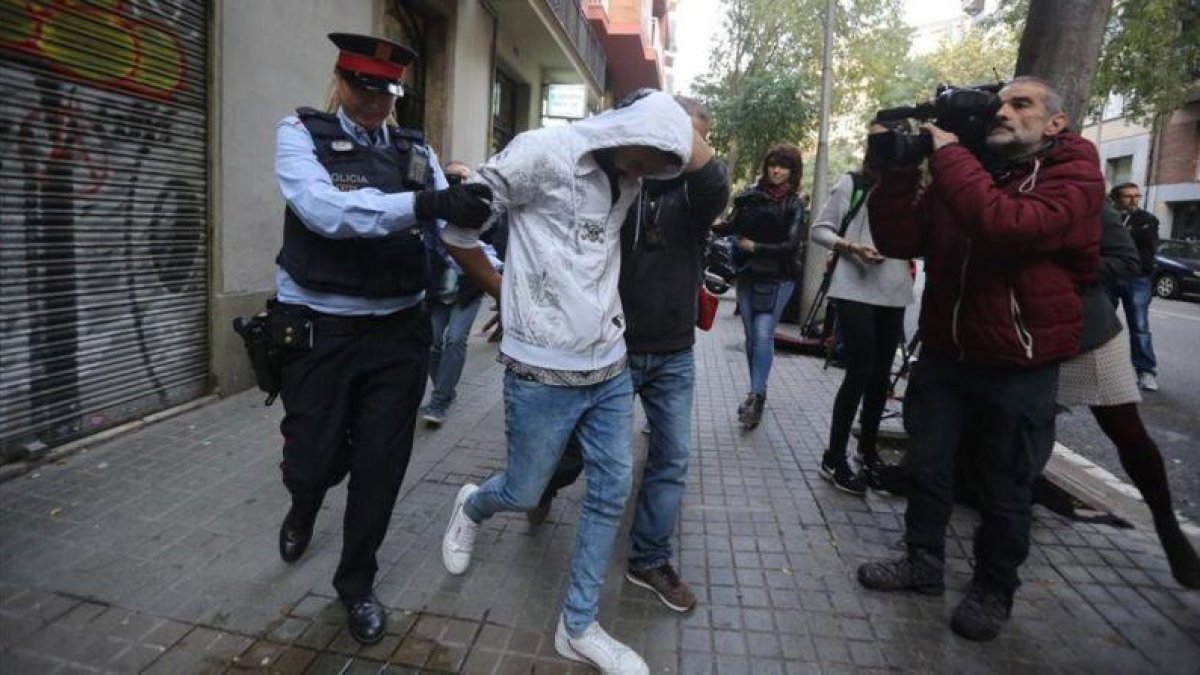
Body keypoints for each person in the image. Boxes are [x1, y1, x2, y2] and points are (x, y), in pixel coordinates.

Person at [438, 90, 698, 674]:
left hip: (609, 364)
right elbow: (458, 234)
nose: (646, 173)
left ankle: (578, 626)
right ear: (625, 127)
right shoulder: (542, 152)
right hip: (539, 370)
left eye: (660, 166)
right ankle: (473, 507)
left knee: (610, 489)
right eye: (647, 157)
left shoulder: (632, 179)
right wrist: (505, 293)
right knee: (526, 491)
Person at [857, 76, 1103, 642]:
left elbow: (1007, 226)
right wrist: (896, 171)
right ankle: (922, 563)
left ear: (1055, 123)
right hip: (947, 351)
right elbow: (899, 237)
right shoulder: (963, 172)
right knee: (928, 465)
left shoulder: (1075, 171)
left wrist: (949, 156)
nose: (1004, 113)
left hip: (1021, 361)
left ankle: (994, 588)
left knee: (1006, 483)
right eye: (1000, 105)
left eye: (1022, 105)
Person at [271, 33, 492, 645]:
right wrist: (427, 202)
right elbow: (327, 212)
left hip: (398, 329)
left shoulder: (414, 147)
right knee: (312, 458)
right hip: (322, 326)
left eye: (386, 90)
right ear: (342, 81)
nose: (375, 101)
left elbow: (449, 224)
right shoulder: (300, 133)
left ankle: (356, 584)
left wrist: (481, 217)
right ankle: (305, 501)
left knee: (382, 468)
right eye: (363, 86)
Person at [530, 97, 729, 615]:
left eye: (696, 139)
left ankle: (648, 557)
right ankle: (543, 485)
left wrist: (683, 131)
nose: (685, 146)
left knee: (672, 456)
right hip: (609, 347)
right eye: (676, 134)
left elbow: (716, 183)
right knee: (575, 449)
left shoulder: (695, 195)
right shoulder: (618, 179)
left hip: (671, 353)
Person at [1058, 203, 1200, 588]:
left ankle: (1167, 526)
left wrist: (1062, 271)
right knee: (1020, 431)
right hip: (1020, 334)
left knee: (1127, 432)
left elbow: (1126, 259)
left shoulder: (1078, 187)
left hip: (1088, 334)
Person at [810, 164, 914, 496]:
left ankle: (867, 452)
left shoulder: (914, 187)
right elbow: (820, 230)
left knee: (881, 374)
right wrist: (851, 247)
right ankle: (833, 457)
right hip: (853, 286)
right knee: (860, 370)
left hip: (895, 290)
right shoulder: (854, 183)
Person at [721, 145, 806, 430]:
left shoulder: (795, 203)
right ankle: (759, 389)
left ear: (793, 172)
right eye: (772, 164)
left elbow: (791, 246)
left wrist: (755, 246)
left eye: (783, 166)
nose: (776, 170)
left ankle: (756, 396)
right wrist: (711, 224)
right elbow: (732, 226)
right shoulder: (750, 196)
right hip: (748, 275)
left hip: (780, 277)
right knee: (750, 335)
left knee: (762, 333)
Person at [421, 161, 503, 427]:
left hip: (467, 291)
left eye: (464, 178)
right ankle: (446, 389)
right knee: (433, 343)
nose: (459, 183)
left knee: (455, 340)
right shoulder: (433, 213)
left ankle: (440, 401)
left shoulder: (484, 214)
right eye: (453, 178)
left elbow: (493, 251)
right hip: (437, 291)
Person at [1106, 182, 1160, 391]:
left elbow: (1146, 247)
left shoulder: (1148, 220)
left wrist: (1123, 232)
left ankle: (1145, 371)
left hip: (1138, 279)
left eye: (1136, 196)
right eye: (1127, 196)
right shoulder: (1108, 217)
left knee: (1140, 327)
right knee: (1104, 324)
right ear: (1116, 198)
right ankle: (1103, 369)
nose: (1133, 200)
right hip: (1110, 277)